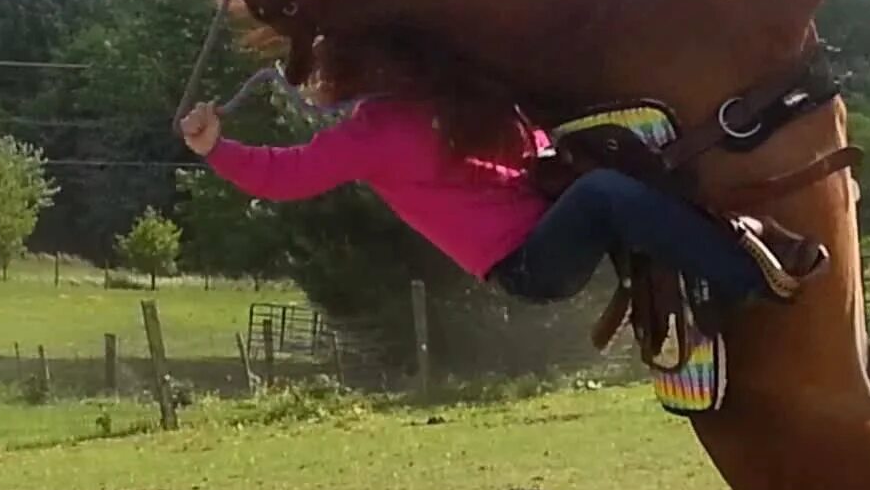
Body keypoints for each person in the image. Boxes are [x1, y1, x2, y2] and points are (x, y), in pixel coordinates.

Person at [176, 37, 826, 314]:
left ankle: (751, 236)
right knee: (603, 191)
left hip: (553, 212)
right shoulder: (366, 136)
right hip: (529, 265)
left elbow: (530, 141)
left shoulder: (458, 98)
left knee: (629, 148)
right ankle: (750, 282)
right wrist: (217, 148)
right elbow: (287, 175)